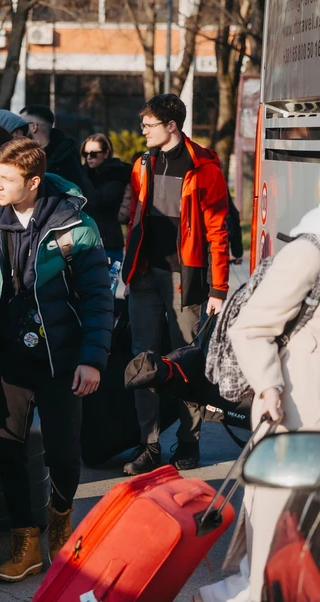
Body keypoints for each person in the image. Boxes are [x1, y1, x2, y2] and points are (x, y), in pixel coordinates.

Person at [199, 150, 320, 602]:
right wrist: (268, 386)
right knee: (282, 504)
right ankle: (264, 590)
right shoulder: (311, 249)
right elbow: (252, 326)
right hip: (304, 393)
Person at [0, 138, 113, 582]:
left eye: (6, 179)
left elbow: (97, 298)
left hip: (62, 357)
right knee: (9, 447)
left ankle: (59, 518)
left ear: (32, 182)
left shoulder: (76, 225)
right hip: (8, 353)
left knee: (63, 451)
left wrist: (92, 359)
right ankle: (25, 541)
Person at [121, 93, 230, 476]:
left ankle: (188, 443)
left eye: (149, 125)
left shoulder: (205, 169)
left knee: (186, 362)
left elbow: (218, 233)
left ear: (172, 126)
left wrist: (218, 289)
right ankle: (148, 445)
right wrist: (129, 269)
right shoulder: (142, 164)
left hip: (186, 282)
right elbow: (134, 217)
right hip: (145, 278)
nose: (143, 131)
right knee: (142, 362)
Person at [79, 133, 130, 264]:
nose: (89, 158)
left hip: (109, 243)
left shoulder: (116, 174)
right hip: (85, 243)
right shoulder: (83, 174)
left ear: (106, 153)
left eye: (94, 154)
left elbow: (98, 201)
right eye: (85, 154)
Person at [20, 104, 85, 188]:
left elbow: (76, 191)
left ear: (34, 127)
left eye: (22, 124)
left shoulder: (66, 155)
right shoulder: (23, 154)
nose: (18, 129)